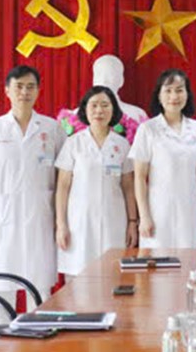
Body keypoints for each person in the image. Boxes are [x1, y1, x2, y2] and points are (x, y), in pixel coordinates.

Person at [0, 65, 66, 318]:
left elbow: (63, 175)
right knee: (2, 287)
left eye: (30, 87)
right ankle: (1, 337)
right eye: (19, 87)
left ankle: (42, 334)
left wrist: (60, 219)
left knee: (40, 286)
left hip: (41, 216)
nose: (25, 92)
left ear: (38, 91)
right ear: (7, 91)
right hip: (3, 216)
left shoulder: (51, 128)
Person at [55, 86, 137, 277]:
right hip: (79, 222)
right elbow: (63, 186)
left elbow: (128, 187)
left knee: (112, 276)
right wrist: (61, 224)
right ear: (85, 110)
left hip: (114, 220)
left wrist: (132, 222)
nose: (99, 110)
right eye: (94, 105)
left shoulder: (122, 144)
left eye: (105, 105)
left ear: (113, 110)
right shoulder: (74, 143)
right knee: (78, 277)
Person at [130, 69, 196, 249]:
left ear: (187, 94)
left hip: (189, 209)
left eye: (180, 90)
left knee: (189, 258)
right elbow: (140, 177)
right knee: (159, 260)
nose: (174, 96)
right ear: (159, 96)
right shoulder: (148, 129)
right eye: (168, 90)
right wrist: (144, 216)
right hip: (158, 211)